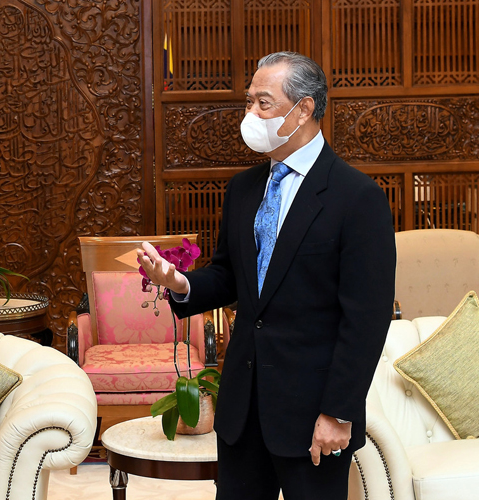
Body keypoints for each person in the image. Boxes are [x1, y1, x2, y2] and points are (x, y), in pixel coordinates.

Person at [138, 52, 395, 500]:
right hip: (243, 409)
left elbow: (367, 319)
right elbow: (230, 276)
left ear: (304, 109)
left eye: (263, 103)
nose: (251, 114)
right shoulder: (243, 189)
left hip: (314, 413)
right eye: (249, 102)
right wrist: (179, 283)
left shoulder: (357, 197)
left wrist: (339, 412)